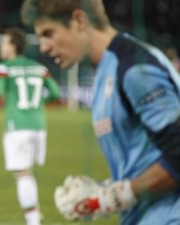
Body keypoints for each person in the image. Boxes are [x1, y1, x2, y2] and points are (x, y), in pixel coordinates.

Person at [21, 0, 180, 225]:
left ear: (79, 20)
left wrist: (111, 199)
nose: (44, 47)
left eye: (49, 33)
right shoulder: (105, 73)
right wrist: (103, 191)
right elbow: (143, 159)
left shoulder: (135, 68)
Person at [0, 27, 61, 225]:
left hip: (17, 126)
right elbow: (56, 93)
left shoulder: (4, 68)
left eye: (4, 42)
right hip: (39, 126)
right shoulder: (40, 68)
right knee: (28, 172)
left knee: (22, 174)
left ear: (13, 46)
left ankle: (33, 219)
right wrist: (39, 105)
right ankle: (35, 213)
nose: (1, 46)